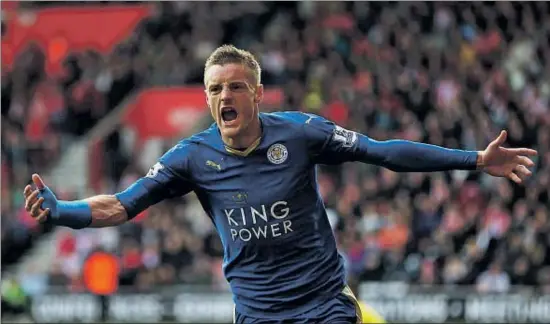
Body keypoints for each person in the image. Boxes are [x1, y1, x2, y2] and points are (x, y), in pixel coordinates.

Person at [23, 45, 537, 323]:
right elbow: (120, 206)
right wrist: (61, 211)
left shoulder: (300, 132)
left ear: (258, 94)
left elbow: (383, 153)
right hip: (256, 316)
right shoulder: (190, 158)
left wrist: (473, 159)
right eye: (215, 89)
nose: (225, 96)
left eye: (236, 86)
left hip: (324, 309)